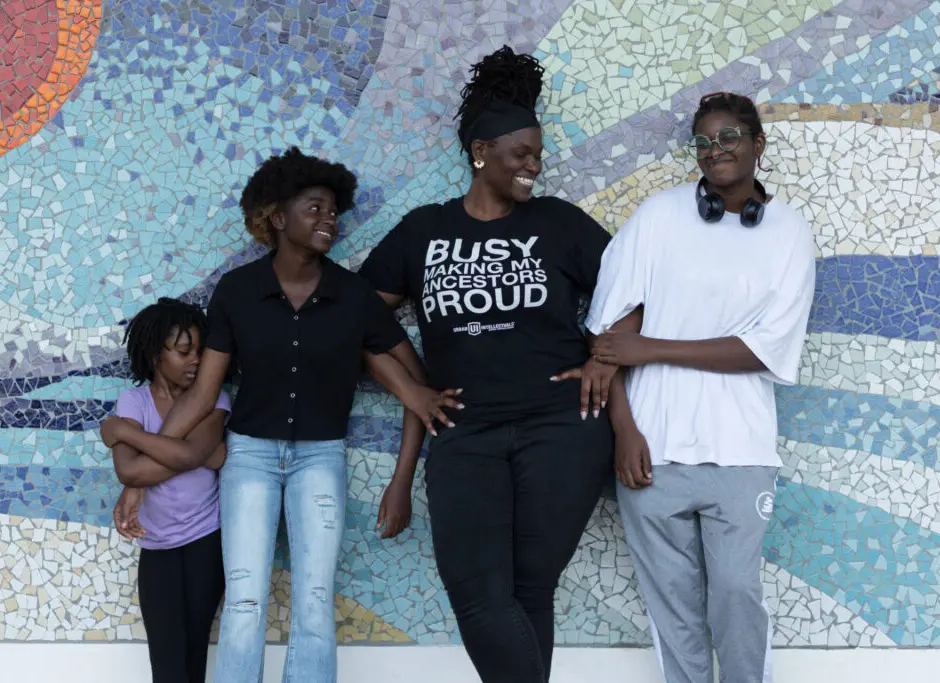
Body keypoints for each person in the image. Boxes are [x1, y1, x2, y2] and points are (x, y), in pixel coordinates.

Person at [356, 46, 643, 683]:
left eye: (538, 155)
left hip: (562, 429)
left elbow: (634, 296)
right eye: (521, 155)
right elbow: (357, 320)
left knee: (530, 588)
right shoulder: (422, 231)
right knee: (479, 595)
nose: (533, 167)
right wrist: (410, 391)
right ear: (480, 152)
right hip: (465, 432)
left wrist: (604, 361)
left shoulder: (559, 223)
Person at [152, 147, 450, 683]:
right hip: (249, 456)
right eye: (314, 208)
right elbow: (201, 397)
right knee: (245, 599)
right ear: (277, 218)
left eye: (333, 211)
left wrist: (402, 481)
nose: (328, 219)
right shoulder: (238, 291)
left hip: (320, 459)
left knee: (314, 600)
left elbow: (415, 387)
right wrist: (142, 477)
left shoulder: (353, 296)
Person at [585, 91, 816, 683]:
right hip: (651, 452)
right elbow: (610, 337)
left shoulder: (789, 233)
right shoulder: (658, 217)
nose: (716, 150)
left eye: (730, 137)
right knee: (674, 612)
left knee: (736, 595)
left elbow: (762, 350)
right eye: (704, 142)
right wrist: (624, 429)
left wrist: (652, 347)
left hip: (740, 451)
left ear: (758, 144)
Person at [100, 297, 233, 683]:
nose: (196, 361)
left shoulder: (214, 399)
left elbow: (194, 454)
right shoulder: (134, 401)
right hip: (157, 547)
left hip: (205, 541)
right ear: (156, 353)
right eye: (183, 352)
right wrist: (191, 454)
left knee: (193, 656)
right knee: (167, 662)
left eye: (200, 352)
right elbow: (129, 470)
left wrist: (123, 431)